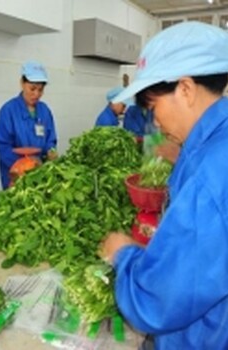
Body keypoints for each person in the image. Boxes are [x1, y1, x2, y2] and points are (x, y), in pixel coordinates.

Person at [99, 21, 228, 349]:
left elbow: (155, 302)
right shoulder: (212, 146)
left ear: (185, 89)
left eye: (154, 107)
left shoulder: (210, 175)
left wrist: (123, 254)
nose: (155, 121)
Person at [0, 60, 58, 189]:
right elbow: (3, 147)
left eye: (40, 90)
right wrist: (26, 167)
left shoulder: (45, 111)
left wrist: (51, 152)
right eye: (32, 88)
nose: (36, 94)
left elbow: (50, 140)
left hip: (41, 175)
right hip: (16, 175)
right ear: (22, 84)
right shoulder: (8, 111)